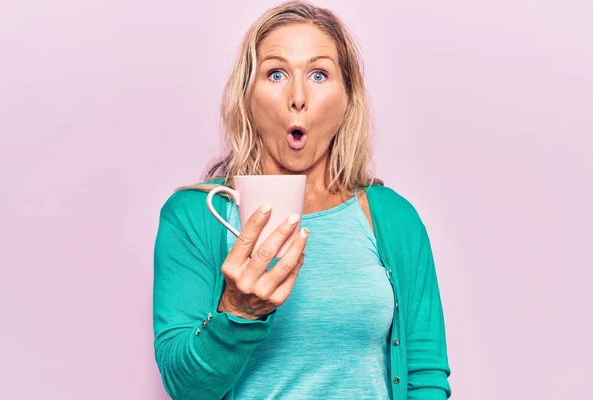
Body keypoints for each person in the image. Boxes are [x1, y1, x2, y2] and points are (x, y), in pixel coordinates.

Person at [153, 1, 451, 399]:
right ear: (247, 97)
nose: (298, 96)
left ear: (348, 98)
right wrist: (238, 312)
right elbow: (184, 388)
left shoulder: (394, 219)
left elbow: (425, 377)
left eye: (319, 74)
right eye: (276, 73)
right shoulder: (194, 217)